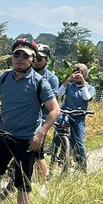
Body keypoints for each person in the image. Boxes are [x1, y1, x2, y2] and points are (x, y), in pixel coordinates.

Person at [0, 38, 59, 204]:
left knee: (23, 181)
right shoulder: (4, 77)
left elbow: (54, 110)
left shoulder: (40, 83)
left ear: (33, 60)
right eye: (16, 54)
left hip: (27, 138)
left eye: (25, 56)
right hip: (3, 135)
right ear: (11, 58)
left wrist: (40, 134)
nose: (20, 58)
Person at [31, 43, 61, 189]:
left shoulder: (51, 78)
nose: (36, 61)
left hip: (42, 118)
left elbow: (51, 103)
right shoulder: (27, 72)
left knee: (37, 153)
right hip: (26, 116)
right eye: (35, 57)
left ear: (47, 60)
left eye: (40, 58)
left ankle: (43, 185)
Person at [56, 63, 95, 171]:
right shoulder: (69, 85)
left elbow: (86, 98)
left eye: (80, 73)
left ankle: (82, 166)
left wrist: (83, 83)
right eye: (76, 72)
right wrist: (68, 80)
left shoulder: (89, 88)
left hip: (79, 116)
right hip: (66, 113)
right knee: (58, 124)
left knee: (78, 143)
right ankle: (55, 148)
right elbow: (59, 93)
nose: (77, 75)